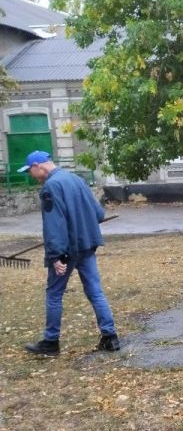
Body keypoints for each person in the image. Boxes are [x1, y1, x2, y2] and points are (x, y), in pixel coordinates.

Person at [18, 151, 120, 356]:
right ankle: (111, 338)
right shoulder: (77, 179)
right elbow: (99, 214)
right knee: (95, 291)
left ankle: (50, 343)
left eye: (30, 171)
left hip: (67, 250)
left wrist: (56, 256)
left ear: (38, 165)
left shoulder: (50, 187)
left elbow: (54, 225)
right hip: (87, 246)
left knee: (54, 294)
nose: (31, 175)